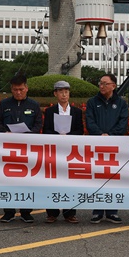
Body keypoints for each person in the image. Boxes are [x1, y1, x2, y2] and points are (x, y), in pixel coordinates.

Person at [0, 73, 43, 223]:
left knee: (27, 181)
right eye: (15, 90)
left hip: (27, 149)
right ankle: (8, 211)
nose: (18, 92)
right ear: (11, 89)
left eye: (21, 89)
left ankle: (26, 211)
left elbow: (38, 124)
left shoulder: (34, 105)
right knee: (7, 180)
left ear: (26, 88)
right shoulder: (5, 104)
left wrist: (28, 134)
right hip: (7, 148)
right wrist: (5, 132)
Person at [86, 73, 128, 224]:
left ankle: (112, 211)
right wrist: (100, 134)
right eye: (100, 83)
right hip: (97, 145)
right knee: (97, 178)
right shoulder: (92, 102)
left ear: (113, 86)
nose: (101, 86)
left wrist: (110, 135)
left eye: (105, 83)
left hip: (115, 146)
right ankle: (97, 211)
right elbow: (89, 121)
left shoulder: (121, 103)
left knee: (113, 178)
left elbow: (123, 123)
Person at [42, 80, 84, 224]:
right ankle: (52, 213)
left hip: (71, 151)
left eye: (66, 92)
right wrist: (57, 135)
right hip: (54, 150)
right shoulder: (50, 111)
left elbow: (80, 130)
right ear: (55, 94)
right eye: (61, 92)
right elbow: (46, 130)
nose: (64, 95)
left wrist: (69, 135)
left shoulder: (77, 112)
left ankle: (70, 213)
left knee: (70, 181)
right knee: (52, 181)